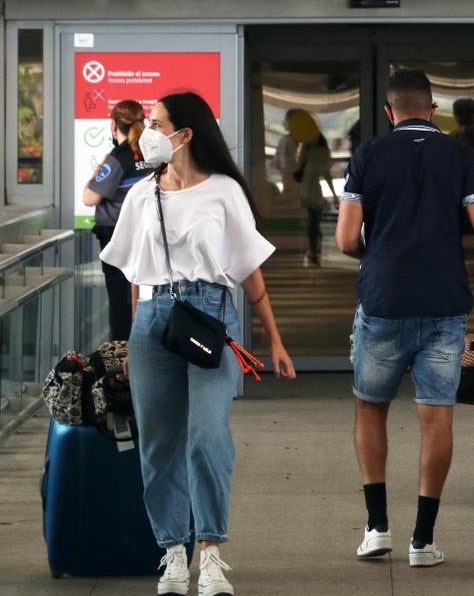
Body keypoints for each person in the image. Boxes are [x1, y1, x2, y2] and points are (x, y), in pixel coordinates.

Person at [100, 92, 297, 596]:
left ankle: (210, 552)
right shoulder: (142, 194)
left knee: (207, 437)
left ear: (184, 134)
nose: (148, 131)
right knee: (160, 443)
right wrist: (128, 343)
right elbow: (132, 278)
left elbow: (249, 269)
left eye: (158, 123)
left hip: (209, 314)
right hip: (152, 323)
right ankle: (171, 552)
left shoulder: (224, 191)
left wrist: (273, 338)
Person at [336, 69, 474, 568]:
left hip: (384, 298)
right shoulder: (459, 156)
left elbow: (346, 239)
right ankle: (423, 540)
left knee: (371, 409)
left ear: (390, 112)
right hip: (444, 304)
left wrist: (378, 250)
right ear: (434, 110)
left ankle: (376, 528)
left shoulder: (368, 154)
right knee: (437, 417)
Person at [83, 100, 150, 341]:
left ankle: (122, 357)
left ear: (114, 125)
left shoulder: (118, 158)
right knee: (143, 299)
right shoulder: (149, 153)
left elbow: (89, 197)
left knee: (120, 303)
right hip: (144, 236)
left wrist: (103, 161)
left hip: (117, 238)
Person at [294, 132, 333, 267]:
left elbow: (298, 165)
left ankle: (313, 250)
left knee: (312, 221)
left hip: (307, 188)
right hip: (316, 190)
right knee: (315, 221)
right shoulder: (322, 150)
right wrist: (333, 194)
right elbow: (327, 173)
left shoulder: (306, 147)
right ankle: (315, 249)